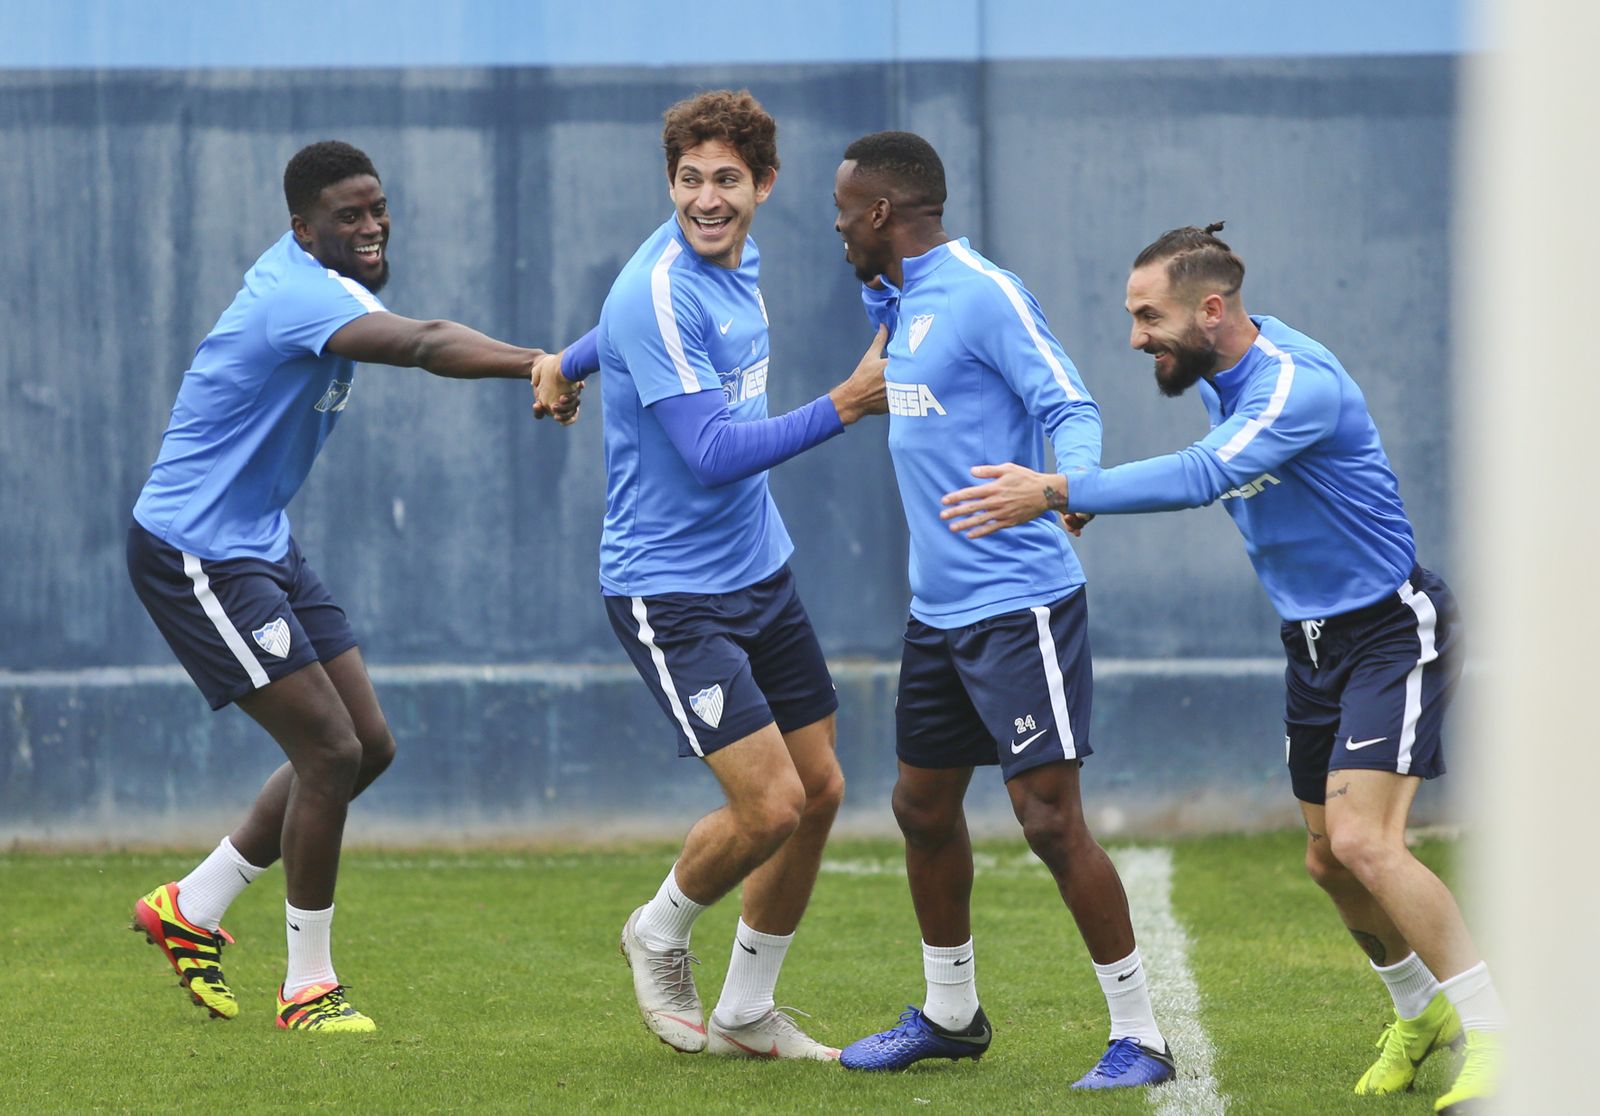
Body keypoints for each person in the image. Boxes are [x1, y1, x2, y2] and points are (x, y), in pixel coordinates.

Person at [939, 222, 1503, 1113]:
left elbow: (1205, 476)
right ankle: (1418, 1012)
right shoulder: (1217, 371)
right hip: (1312, 641)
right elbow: (1222, 474)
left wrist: (1058, 490)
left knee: (1365, 842)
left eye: (1147, 317)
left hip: (1392, 629)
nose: (1135, 339)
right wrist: (1085, 496)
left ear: (1211, 309)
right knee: (1329, 861)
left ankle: (1500, 1034)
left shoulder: (1292, 384)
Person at [127, 140, 579, 1033]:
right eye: (348, 215)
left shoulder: (331, 284)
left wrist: (539, 359)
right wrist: (538, 359)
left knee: (366, 745)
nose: (371, 226)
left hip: (258, 539)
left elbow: (414, 331)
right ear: (303, 228)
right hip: (195, 552)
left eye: (377, 208)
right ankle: (309, 987)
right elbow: (420, 342)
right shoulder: (299, 296)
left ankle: (193, 905)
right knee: (328, 753)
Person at [535, 89, 887, 1060]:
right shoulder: (654, 283)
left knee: (817, 792)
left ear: (764, 185)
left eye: (726, 179)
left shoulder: (734, 262)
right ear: (670, 183)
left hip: (759, 569)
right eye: (688, 180)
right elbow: (711, 454)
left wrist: (564, 362)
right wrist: (848, 404)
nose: (705, 199)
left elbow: (626, 340)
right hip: (669, 591)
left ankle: (744, 1011)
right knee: (768, 803)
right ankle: (656, 929)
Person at [826, 131, 1175, 1090]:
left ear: (884, 214)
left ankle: (1140, 1036)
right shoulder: (900, 300)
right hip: (937, 615)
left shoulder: (982, 291)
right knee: (920, 807)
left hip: (1019, 606)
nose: (840, 228)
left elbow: (1070, 402)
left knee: (1050, 820)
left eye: (846, 212)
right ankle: (950, 1015)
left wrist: (1070, 490)